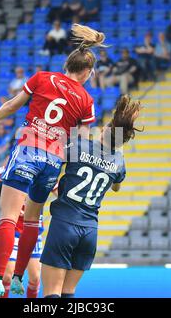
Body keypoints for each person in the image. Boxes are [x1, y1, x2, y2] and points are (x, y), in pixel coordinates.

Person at [0, 23, 103, 298]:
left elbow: (13, 105)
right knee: (32, 220)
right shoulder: (87, 101)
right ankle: (17, 278)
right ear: (87, 72)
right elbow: (79, 145)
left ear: (67, 64)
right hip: (53, 161)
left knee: (8, 218)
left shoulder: (42, 78)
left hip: (29, 150)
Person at [41, 95, 142, 298]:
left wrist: (58, 184)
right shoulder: (119, 162)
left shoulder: (78, 146)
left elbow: (51, 163)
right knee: (68, 293)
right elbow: (116, 188)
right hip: (89, 232)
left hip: (64, 225)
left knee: (52, 293)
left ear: (105, 130)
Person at [0, 166, 57, 298]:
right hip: (14, 233)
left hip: (34, 233)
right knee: (7, 277)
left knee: (35, 278)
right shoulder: (15, 166)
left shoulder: (45, 172)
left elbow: (59, 192)